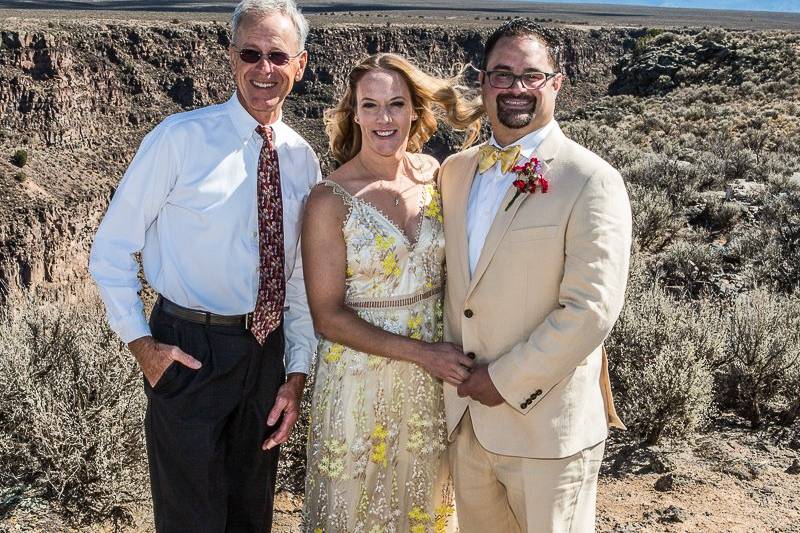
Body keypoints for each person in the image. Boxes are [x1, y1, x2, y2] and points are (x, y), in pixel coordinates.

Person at [88, 1, 319, 530]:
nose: (264, 68)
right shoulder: (180, 138)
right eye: (250, 53)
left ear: (300, 65)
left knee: (251, 514)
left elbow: (300, 275)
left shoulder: (303, 158)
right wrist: (143, 347)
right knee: (190, 518)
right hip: (188, 351)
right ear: (230, 58)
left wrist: (296, 373)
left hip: (266, 355)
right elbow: (111, 250)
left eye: (277, 55)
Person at [438, 19, 631, 533]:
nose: (516, 88)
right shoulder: (455, 172)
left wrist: (502, 380)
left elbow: (591, 310)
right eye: (502, 75)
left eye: (531, 75)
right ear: (483, 82)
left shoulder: (590, 179)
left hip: (547, 431)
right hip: (466, 423)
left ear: (557, 83)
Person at [300, 53, 481, 532]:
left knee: (425, 508)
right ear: (353, 113)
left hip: (432, 382)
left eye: (397, 104)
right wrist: (423, 354)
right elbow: (327, 316)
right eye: (371, 105)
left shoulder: (435, 176)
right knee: (356, 512)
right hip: (358, 382)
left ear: (416, 113)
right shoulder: (328, 199)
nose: (385, 118)